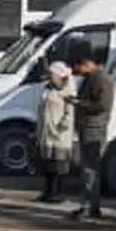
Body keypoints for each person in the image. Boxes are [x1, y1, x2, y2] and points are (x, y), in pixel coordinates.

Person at [69, 47, 114, 222]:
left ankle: (89, 206)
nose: (76, 70)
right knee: (89, 168)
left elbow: (101, 105)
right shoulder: (92, 78)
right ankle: (91, 205)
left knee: (90, 169)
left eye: (78, 66)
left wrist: (80, 103)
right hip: (88, 126)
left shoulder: (100, 79)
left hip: (93, 127)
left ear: (87, 64)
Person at [34, 60, 77, 203]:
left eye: (52, 74)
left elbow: (70, 112)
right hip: (46, 132)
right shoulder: (48, 88)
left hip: (60, 134)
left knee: (60, 165)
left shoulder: (68, 90)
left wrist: (62, 127)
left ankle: (59, 194)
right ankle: (47, 193)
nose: (50, 76)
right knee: (48, 165)